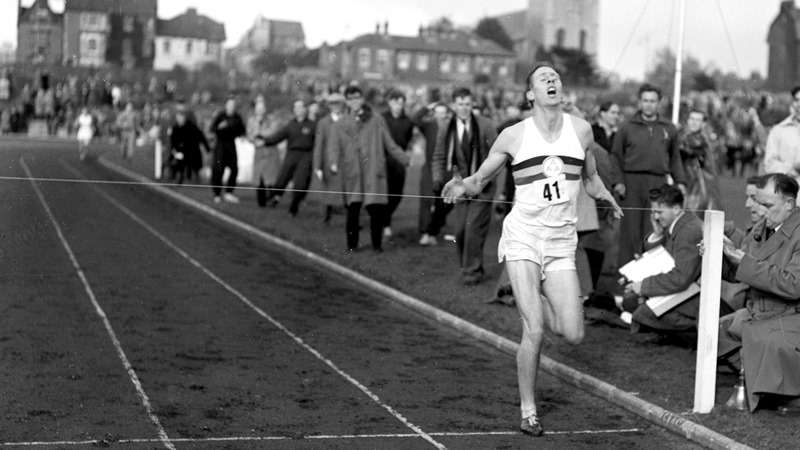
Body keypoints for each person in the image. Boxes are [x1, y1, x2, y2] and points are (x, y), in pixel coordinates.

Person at [442, 63, 623, 436]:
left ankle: (531, 294)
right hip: (524, 237)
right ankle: (529, 411)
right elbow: (481, 178)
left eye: (556, 76)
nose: (552, 80)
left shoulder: (581, 129)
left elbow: (589, 177)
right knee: (535, 330)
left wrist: (604, 195)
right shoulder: (513, 135)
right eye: (544, 78)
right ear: (530, 95)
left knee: (572, 332)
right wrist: (462, 186)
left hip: (560, 243)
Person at [716, 173, 800, 412]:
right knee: (714, 331)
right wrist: (721, 254)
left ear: (789, 204)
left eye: (767, 205)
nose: (759, 210)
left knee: (766, 340)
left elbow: (793, 284)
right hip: (760, 311)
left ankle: (788, 393)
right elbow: (741, 273)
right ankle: (766, 382)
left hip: (790, 315)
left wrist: (741, 261)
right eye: (758, 202)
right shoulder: (761, 229)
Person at [612, 84, 686, 269]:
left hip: (658, 183)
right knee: (630, 231)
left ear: (659, 103)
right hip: (632, 183)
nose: (648, 105)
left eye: (652, 101)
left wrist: (680, 181)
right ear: (639, 102)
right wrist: (618, 182)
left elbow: (675, 158)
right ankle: (625, 279)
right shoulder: (627, 127)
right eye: (645, 100)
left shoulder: (669, 128)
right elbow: (615, 157)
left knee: (655, 228)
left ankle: (650, 277)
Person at [329, 86, 410, 253]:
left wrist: (404, 159)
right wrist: (333, 162)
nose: (355, 101)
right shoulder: (341, 123)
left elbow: (389, 143)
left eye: (357, 97)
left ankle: (377, 246)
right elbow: (334, 147)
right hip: (354, 172)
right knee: (353, 209)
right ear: (347, 101)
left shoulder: (376, 119)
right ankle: (352, 246)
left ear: (362, 99)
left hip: (373, 171)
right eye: (351, 98)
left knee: (376, 210)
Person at [433, 87, 500, 286]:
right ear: (454, 105)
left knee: (473, 230)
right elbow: (438, 156)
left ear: (473, 105)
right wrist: (438, 178)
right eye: (460, 104)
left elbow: (497, 155)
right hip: (459, 187)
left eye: (468, 104)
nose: (464, 108)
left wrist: (486, 180)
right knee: (461, 231)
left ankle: (471, 271)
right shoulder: (447, 127)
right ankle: (471, 266)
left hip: (482, 187)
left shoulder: (486, 125)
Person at [620, 185, 704, 335]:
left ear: (676, 209)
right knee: (631, 301)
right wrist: (658, 234)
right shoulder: (679, 224)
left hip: (692, 296)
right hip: (681, 290)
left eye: (659, 212)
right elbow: (661, 258)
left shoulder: (689, 231)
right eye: (653, 212)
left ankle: (698, 330)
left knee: (640, 314)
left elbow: (680, 278)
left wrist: (643, 286)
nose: (656, 217)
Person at [261, 99, 317, 216]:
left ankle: (294, 206)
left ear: (305, 109)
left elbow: (319, 142)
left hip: (306, 155)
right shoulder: (290, 125)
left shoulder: (312, 125)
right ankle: (273, 197)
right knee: (282, 178)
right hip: (291, 154)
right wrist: (264, 141)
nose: (298, 110)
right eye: (295, 107)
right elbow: (278, 136)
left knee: (300, 183)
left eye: (300, 107)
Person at [413, 102, 451, 246]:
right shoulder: (429, 125)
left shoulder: (451, 127)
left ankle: (433, 231)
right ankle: (424, 232)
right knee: (426, 200)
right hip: (429, 169)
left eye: (443, 112)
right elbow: (415, 119)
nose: (440, 115)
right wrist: (426, 107)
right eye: (437, 112)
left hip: (445, 169)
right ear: (433, 114)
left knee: (443, 202)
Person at [382, 90, 417, 238]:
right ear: (390, 103)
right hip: (383, 159)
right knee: (385, 193)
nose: (398, 106)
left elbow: (408, 139)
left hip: (399, 160)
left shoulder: (407, 121)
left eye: (400, 103)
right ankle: (385, 224)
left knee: (397, 195)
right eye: (395, 103)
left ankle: (384, 218)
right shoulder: (382, 119)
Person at [680, 110, 723, 215]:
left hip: (699, 188)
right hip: (694, 185)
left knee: (692, 219)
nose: (694, 122)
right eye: (692, 119)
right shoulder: (688, 137)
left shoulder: (700, 140)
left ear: (703, 124)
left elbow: (689, 151)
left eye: (698, 120)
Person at [763, 86, 800, 205]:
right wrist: (791, 168)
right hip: (788, 202)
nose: (799, 104)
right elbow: (769, 164)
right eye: (797, 100)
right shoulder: (779, 131)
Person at [313, 93, 346, 223]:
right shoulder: (323, 123)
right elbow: (319, 145)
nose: (335, 106)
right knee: (329, 189)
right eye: (333, 104)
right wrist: (317, 166)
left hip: (345, 161)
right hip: (328, 161)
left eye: (338, 103)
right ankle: (327, 216)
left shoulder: (348, 120)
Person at [209, 97, 246, 204]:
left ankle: (229, 193)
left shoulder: (237, 117)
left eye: (233, 106)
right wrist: (219, 128)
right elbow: (212, 129)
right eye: (229, 105)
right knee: (218, 169)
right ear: (226, 106)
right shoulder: (220, 116)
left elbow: (242, 130)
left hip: (231, 144)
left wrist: (242, 135)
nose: (231, 108)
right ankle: (217, 194)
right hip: (220, 145)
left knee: (234, 168)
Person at [248, 100, 283, 205]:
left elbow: (273, 131)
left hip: (270, 152)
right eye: (258, 109)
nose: (260, 111)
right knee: (259, 179)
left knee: (271, 179)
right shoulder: (251, 121)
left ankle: (273, 199)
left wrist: (259, 135)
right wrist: (257, 139)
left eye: (262, 109)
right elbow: (249, 135)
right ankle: (261, 202)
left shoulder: (271, 120)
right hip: (259, 153)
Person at [169, 106, 210, 184]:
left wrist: (207, 148)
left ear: (184, 118)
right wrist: (174, 151)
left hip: (191, 151)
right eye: (178, 118)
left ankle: (195, 178)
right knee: (177, 162)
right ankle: (177, 178)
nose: (179, 120)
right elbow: (173, 141)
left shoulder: (191, 127)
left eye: (181, 117)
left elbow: (200, 136)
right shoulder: (175, 128)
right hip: (179, 151)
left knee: (194, 164)